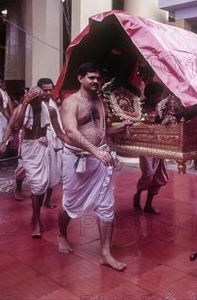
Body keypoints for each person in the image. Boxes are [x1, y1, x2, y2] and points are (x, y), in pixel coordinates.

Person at [57, 62, 132, 271]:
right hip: (77, 159)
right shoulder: (70, 103)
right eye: (91, 77)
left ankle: (106, 253)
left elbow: (101, 131)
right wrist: (96, 152)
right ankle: (62, 234)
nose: (96, 81)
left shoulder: (100, 101)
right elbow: (71, 132)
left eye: (98, 78)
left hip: (100, 159)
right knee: (70, 202)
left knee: (106, 207)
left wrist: (119, 129)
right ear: (80, 79)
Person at [0, 86, 66, 238]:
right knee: (37, 184)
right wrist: (4, 141)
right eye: (33, 100)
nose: (36, 104)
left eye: (39, 100)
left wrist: (73, 144)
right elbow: (16, 126)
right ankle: (36, 222)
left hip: (44, 146)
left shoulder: (50, 110)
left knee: (41, 184)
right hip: (29, 148)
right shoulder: (20, 109)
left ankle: (36, 216)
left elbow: (60, 133)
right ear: (29, 98)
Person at [133, 82, 168, 215]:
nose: (159, 99)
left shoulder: (163, 108)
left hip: (160, 145)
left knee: (158, 176)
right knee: (148, 173)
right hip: (145, 145)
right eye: (157, 96)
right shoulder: (140, 106)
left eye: (161, 96)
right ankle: (138, 193)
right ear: (149, 95)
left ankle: (148, 205)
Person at [38, 77, 64, 208]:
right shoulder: (34, 104)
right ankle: (20, 188)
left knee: (53, 171)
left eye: (50, 90)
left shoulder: (53, 103)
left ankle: (48, 199)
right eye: (45, 90)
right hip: (38, 143)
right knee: (37, 175)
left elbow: (58, 125)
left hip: (54, 140)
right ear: (39, 90)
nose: (48, 93)